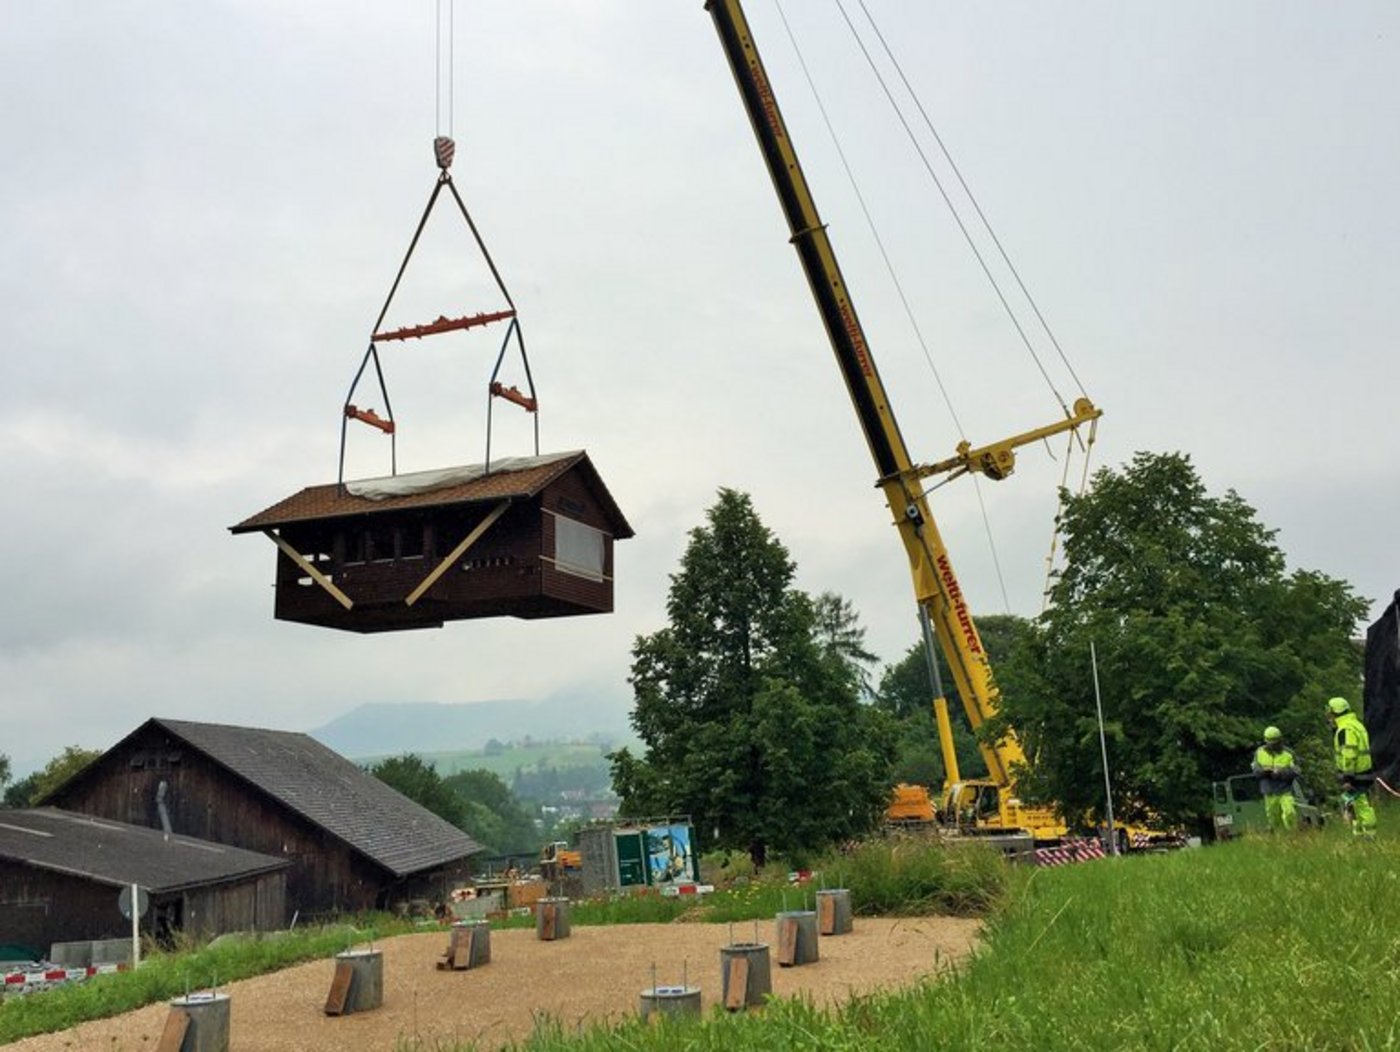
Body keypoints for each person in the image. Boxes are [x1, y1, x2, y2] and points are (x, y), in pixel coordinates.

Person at [1326, 697, 1377, 838]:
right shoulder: (1356, 725)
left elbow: (1349, 754)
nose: (1328, 718)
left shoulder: (1345, 729)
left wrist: (1347, 777)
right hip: (1364, 771)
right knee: (1355, 806)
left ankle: (1369, 837)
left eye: (1329, 714)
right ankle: (1359, 836)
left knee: (1362, 806)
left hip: (1355, 775)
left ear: (1334, 713)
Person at [1250, 726, 1300, 832]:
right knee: (1273, 819)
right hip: (1269, 791)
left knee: (1289, 812)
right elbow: (1255, 770)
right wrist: (1265, 772)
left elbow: (1296, 771)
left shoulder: (1289, 754)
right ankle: (1279, 838)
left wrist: (1281, 773)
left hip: (1285, 790)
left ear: (1280, 740)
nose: (1273, 745)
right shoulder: (1259, 752)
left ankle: (1293, 833)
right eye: (1270, 742)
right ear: (1265, 740)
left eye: (1275, 742)